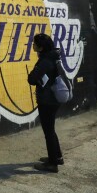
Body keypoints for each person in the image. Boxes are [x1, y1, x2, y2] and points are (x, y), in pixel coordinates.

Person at [27, 33, 65, 172]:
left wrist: (35, 77)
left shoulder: (45, 61)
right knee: (51, 129)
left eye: (35, 43)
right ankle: (57, 157)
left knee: (48, 131)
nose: (33, 45)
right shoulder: (53, 57)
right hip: (54, 98)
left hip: (47, 100)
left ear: (41, 47)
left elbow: (31, 79)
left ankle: (52, 164)